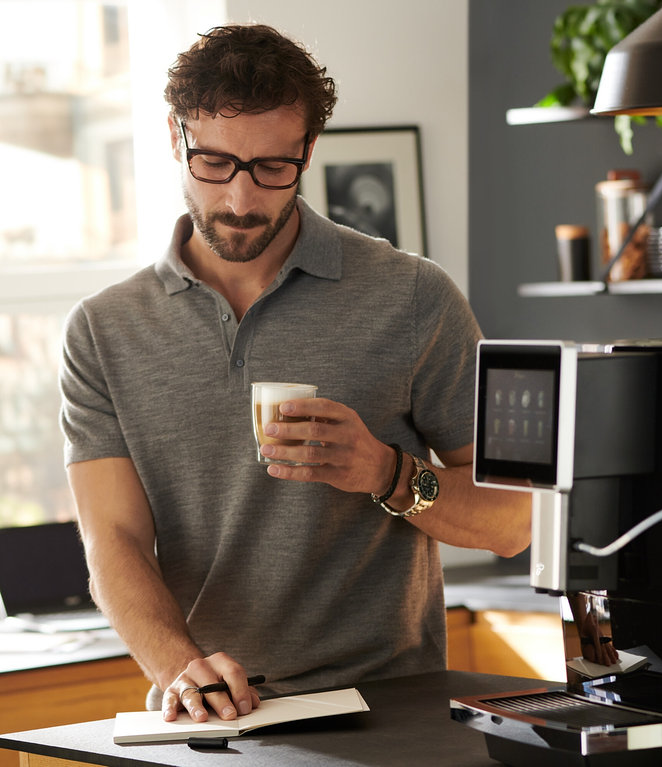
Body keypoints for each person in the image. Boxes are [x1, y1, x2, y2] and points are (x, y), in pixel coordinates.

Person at [60, 23, 530, 725]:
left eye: (273, 167)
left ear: (308, 151)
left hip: (389, 714)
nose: (241, 201)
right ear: (173, 138)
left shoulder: (413, 297)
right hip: (215, 718)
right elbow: (115, 543)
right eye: (214, 163)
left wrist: (388, 474)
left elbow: (515, 519)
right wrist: (181, 668)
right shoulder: (103, 329)